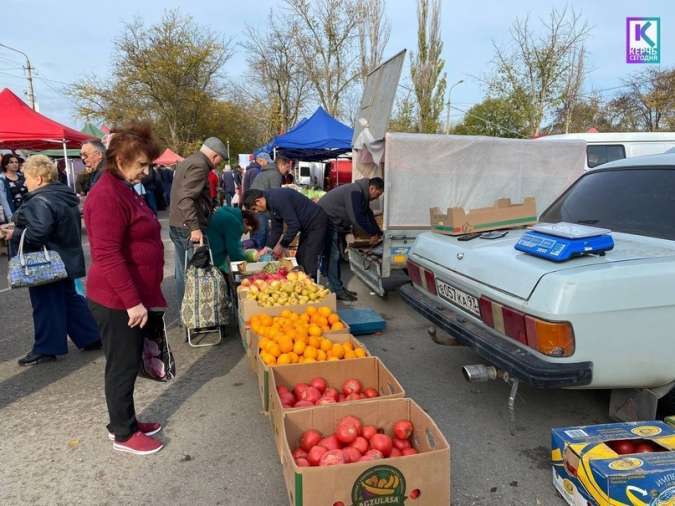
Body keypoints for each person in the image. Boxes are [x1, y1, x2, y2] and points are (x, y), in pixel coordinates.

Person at [84, 122, 166, 455]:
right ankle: (123, 434)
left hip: (126, 296)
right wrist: (133, 302)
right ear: (120, 160)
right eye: (142, 165)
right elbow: (106, 254)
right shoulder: (105, 195)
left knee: (126, 361)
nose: (146, 172)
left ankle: (125, 420)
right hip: (116, 299)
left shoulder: (122, 188)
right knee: (123, 364)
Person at [0, 155, 101, 365]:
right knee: (69, 299)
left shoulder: (39, 200)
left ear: (38, 178)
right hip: (65, 257)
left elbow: (39, 232)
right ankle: (90, 336)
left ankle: (47, 348)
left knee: (46, 304)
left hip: (46, 262)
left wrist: (14, 234)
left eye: (26, 177)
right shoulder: (62, 195)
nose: (24, 182)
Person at [169, 137, 228, 308]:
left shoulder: (189, 160)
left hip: (178, 223)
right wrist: (195, 228)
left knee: (182, 271)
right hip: (187, 226)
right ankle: (192, 313)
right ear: (215, 156)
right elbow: (186, 198)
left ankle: (186, 312)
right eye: (219, 161)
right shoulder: (200, 165)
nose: (217, 165)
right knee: (192, 272)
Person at [318, 177, 384, 300]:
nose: (378, 197)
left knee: (333, 254)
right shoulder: (355, 191)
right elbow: (357, 218)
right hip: (325, 220)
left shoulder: (361, 193)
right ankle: (336, 289)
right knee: (334, 255)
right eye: (378, 194)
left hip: (332, 221)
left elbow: (368, 214)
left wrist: (377, 232)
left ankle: (336, 286)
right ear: (372, 188)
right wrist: (371, 233)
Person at [244, 188, 328, 278]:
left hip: (316, 223)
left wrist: (282, 245)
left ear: (258, 201)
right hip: (307, 227)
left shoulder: (277, 199)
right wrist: (267, 247)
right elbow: (277, 228)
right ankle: (302, 282)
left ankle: (311, 286)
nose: (257, 212)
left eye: (254, 209)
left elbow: (294, 225)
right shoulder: (270, 202)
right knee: (300, 257)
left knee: (308, 259)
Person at [207, 207, 258, 272]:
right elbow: (234, 251)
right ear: (245, 221)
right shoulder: (234, 222)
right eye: (248, 230)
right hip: (213, 255)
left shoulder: (227, 211)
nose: (246, 233)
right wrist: (241, 272)